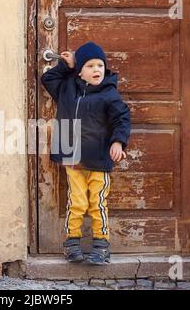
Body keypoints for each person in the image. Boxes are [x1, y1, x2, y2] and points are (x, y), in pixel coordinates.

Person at [41, 42, 131, 264]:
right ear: (79, 69)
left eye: (100, 65)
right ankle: (72, 243)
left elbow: (122, 118)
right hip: (73, 158)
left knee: (97, 203)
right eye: (90, 65)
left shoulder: (109, 93)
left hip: (99, 159)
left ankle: (101, 245)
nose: (97, 70)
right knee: (77, 201)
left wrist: (118, 142)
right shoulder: (67, 88)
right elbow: (48, 79)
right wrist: (67, 65)